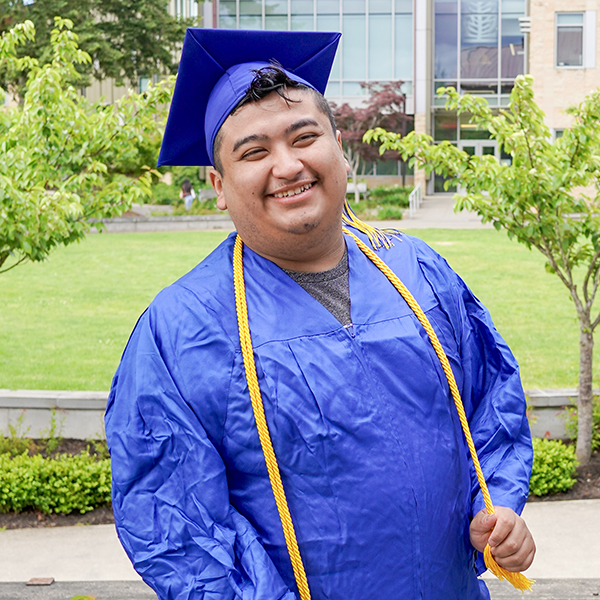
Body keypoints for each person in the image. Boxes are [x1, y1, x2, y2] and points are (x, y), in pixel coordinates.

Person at [105, 29, 535, 600]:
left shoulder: (417, 271)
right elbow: (179, 524)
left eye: (303, 137)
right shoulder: (180, 330)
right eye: (254, 152)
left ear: (338, 145)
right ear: (218, 184)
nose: (287, 166)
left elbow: (491, 402)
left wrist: (497, 506)